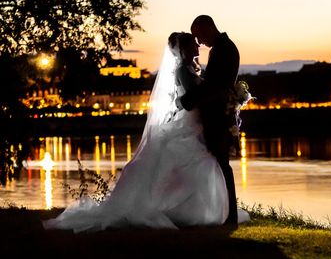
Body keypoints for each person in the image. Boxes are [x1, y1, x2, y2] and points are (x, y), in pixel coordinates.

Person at [43, 32, 248, 232]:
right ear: (184, 49)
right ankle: (192, 210)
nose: (198, 45)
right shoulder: (183, 71)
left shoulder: (191, 68)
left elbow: (196, 95)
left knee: (201, 165)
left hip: (196, 124)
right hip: (190, 124)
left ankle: (201, 210)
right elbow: (191, 99)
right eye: (193, 43)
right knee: (197, 164)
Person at [178, 15, 240, 225]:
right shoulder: (221, 48)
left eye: (199, 35)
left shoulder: (224, 49)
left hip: (219, 115)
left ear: (208, 28)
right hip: (217, 113)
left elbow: (214, 85)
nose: (199, 42)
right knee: (220, 164)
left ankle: (230, 214)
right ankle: (224, 211)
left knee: (222, 165)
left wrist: (186, 100)